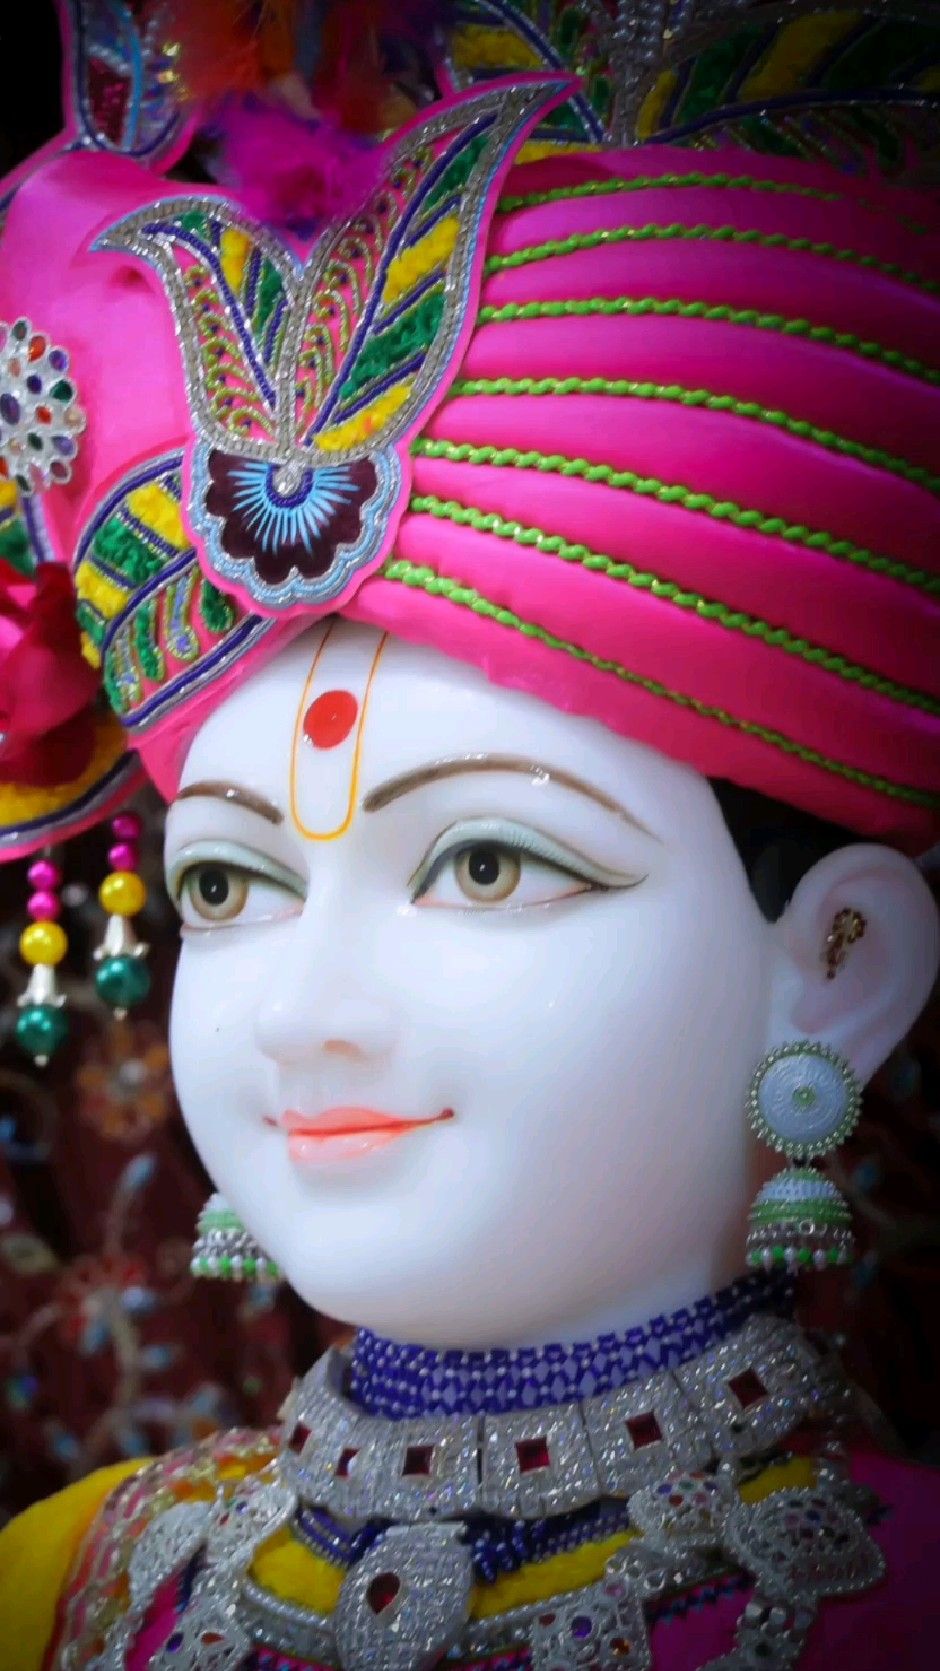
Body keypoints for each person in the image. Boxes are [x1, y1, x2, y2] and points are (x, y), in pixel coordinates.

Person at [0, 3, 938, 1668]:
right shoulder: (67, 1590)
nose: (304, 1011)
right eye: (229, 883)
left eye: (487, 863)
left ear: (839, 969)